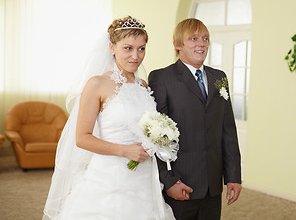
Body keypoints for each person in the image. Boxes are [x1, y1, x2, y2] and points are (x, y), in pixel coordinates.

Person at [43, 16, 175, 220]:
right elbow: (82, 138)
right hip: (109, 178)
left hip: (144, 179)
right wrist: (125, 150)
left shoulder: (143, 86)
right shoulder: (97, 84)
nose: (136, 56)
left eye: (141, 48)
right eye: (128, 48)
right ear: (112, 48)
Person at [148, 18, 242, 220]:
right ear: (177, 45)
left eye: (205, 38)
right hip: (180, 183)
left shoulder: (219, 78)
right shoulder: (162, 78)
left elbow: (228, 130)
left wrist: (233, 176)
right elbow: (154, 137)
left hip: (212, 186)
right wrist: (169, 181)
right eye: (193, 38)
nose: (201, 43)